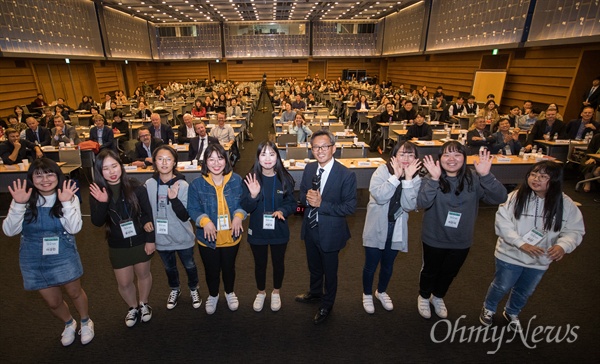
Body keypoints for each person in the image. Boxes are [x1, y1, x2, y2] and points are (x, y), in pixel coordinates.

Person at [479, 161, 584, 331]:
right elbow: (502, 223)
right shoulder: (515, 196)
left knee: (525, 291)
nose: (536, 179)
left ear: (555, 180)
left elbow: (575, 230)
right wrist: (521, 244)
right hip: (510, 254)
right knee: (501, 285)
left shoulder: (566, 204)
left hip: (540, 259)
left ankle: (512, 312)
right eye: (533, 174)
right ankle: (489, 308)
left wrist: (563, 246)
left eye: (543, 177)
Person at [2, 158, 94, 346]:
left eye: (49, 173)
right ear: (31, 178)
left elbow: (75, 228)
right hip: (33, 256)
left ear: (57, 175)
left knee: (75, 292)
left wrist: (67, 203)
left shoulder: (68, 196)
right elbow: (9, 231)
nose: (45, 179)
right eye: (39, 175)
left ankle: (85, 321)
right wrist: (18, 205)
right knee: (53, 301)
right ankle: (69, 323)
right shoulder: (24, 198)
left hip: (63, 252)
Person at [417, 141, 507, 319]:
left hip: (461, 238)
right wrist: (434, 180)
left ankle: (438, 296)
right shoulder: (432, 176)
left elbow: (500, 197)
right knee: (430, 269)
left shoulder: (474, 177)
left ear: (464, 158)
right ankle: (424, 295)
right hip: (434, 236)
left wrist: (486, 175)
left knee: (450, 271)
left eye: (457, 154)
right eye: (447, 155)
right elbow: (422, 203)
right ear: (440, 158)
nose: (452, 159)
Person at [295, 130, 357, 324]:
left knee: (330, 271)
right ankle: (315, 292)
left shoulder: (346, 175)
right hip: (311, 227)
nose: (319, 151)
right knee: (314, 266)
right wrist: (304, 199)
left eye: (324, 146)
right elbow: (302, 193)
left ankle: (327, 304)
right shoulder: (309, 169)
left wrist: (322, 204)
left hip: (331, 231)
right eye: (315, 147)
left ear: (334, 148)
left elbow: (350, 207)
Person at [89, 149, 155, 327]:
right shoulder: (97, 191)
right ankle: (132, 307)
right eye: (106, 168)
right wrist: (103, 203)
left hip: (140, 239)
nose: (112, 172)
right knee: (124, 282)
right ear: (99, 171)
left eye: (114, 166)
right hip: (117, 243)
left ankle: (144, 303)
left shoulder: (136, 186)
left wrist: (150, 239)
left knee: (143, 274)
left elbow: (148, 214)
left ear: (121, 166)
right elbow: (97, 222)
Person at [362, 142, 422, 314]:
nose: (406, 158)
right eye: (402, 154)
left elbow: (408, 205)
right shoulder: (382, 171)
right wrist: (395, 177)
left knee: (388, 265)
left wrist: (408, 180)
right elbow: (380, 197)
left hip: (397, 227)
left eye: (411, 155)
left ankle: (381, 291)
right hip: (376, 226)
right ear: (394, 155)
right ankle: (366, 294)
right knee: (371, 265)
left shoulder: (416, 178)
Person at [187, 144, 247, 315]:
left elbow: (243, 203)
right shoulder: (197, 184)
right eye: (211, 159)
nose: (216, 163)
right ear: (205, 161)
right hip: (207, 238)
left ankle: (229, 292)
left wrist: (239, 216)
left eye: (220, 158)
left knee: (229, 268)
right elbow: (192, 208)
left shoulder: (236, 180)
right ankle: (213, 295)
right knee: (211, 270)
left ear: (226, 160)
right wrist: (204, 221)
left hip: (231, 236)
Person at [241, 141, 297, 312]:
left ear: (277, 158)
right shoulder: (250, 178)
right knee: (260, 264)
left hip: (279, 229)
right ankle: (261, 292)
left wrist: (282, 210)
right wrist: (252, 195)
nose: (267, 158)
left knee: (278, 263)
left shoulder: (285, 178)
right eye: (263, 154)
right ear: (258, 157)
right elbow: (246, 207)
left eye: (271, 154)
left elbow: (293, 204)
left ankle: (276, 292)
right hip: (257, 229)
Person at [144, 146, 201, 310]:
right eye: (160, 158)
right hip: (161, 238)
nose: (164, 162)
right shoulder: (149, 184)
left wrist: (174, 199)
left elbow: (185, 216)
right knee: (169, 268)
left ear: (174, 162)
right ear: (154, 161)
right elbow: (144, 209)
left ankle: (193, 288)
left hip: (182, 237)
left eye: (168, 159)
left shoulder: (183, 185)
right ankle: (175, 289)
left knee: (189, 265)